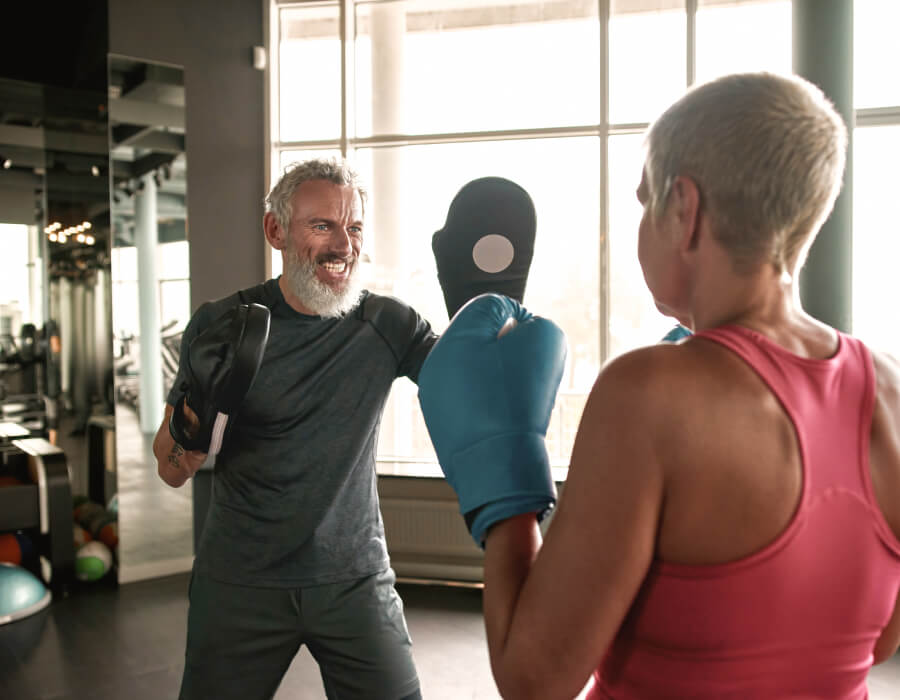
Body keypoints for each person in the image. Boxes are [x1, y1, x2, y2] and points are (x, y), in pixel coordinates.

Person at [416, 72, 900, 699]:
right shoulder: (889, 389)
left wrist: (505, 490)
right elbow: (877, 638)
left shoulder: (648, 396)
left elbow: (533, 679)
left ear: (685, 209)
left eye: (645, 201)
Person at [153, 158, 436, 700]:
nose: (343, 245)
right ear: (275, 230)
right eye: (322, 225)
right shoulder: (223, 324)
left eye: (353, 227)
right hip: (242, 579)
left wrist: (487, 297)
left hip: (354, 578)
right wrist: (201, 406)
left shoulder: (389, 325)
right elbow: (172, 470)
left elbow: (468, 389)